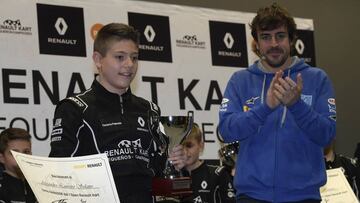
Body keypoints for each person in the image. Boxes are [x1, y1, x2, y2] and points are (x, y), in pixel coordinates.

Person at [49, 23, 185, 203]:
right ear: (98, 60)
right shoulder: (74, 108)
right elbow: (59, 173)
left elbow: (157, 168)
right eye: (120, 57)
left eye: (134, 58)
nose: (129, 65)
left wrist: (174, 159)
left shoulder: (150, 110)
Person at [218, 3, 336, 203]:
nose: (273, 43)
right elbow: (227, 131)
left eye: (280, 36)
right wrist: (265, 107)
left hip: (304, 197)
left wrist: (297, 106)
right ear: (256, 42)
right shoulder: (240, 80)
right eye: (265, 37)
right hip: (252, 196)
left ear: (291, 39)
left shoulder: (317, 79)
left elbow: (327, 135)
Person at [180, 124, 236, 203]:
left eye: (189, 146)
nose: (184, 151)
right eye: (181, 146)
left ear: (201, 146)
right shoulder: (171, 176)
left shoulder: (218, 174)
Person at [0, 128, 37, 203]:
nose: (21, 157)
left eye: (26, 152)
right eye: (15, 153)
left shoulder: (40, 186)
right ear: (2, 158)